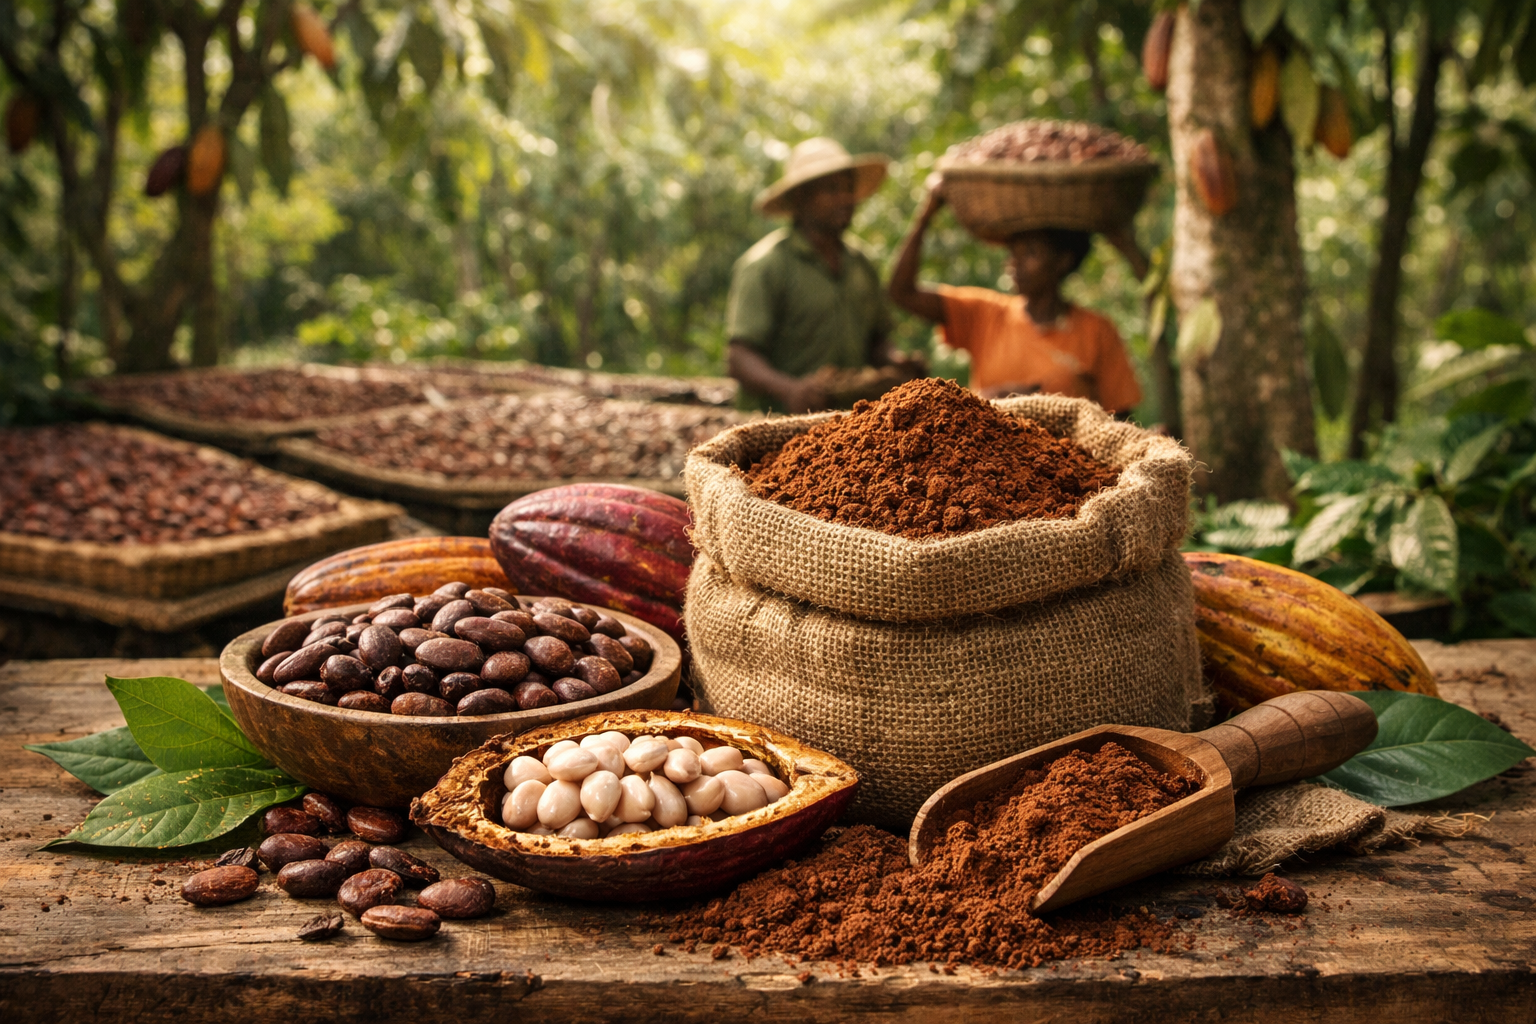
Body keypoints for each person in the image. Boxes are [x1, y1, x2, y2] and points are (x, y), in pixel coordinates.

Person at [887, 181, 1142, 415]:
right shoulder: (985, 314)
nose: (1014, 262)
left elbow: (1120, 416)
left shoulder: (1096, 331)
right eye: (1013, 252)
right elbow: (902, 293)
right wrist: (926, 215)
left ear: (1063, 262)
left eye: (1030, 253)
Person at [727, 138, 923, 413]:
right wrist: (789, 389)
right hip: (776, 426)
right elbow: (739, 357)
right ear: (800, 199)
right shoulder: (766, 266)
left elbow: (876, 340)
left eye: (848, 189)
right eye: (831, 190)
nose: (844, 199)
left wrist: (896, 362)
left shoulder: (860, 264)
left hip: (847, 427)